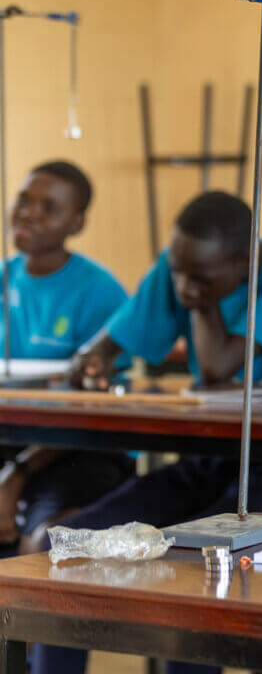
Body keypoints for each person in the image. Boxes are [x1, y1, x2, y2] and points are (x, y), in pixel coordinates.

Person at [34, 191, 262, 674]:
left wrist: (199, 301)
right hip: (208, 460)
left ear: (245, 260)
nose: (182, 283)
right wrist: (93, 363)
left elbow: (223, 365)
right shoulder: (184, 261)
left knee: (194, 570)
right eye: (177, 270)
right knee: (66, 546)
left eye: (201, 277)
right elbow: (103, 348)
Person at [0, 161, 129, 557]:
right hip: (12, 440)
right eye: (24, 200)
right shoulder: (5, 277)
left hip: (77, 449)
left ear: (76, 223)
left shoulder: (100, 291)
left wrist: (14, 477)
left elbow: (102, 411)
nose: (28, 214)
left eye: (48, 208)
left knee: (41, 543)